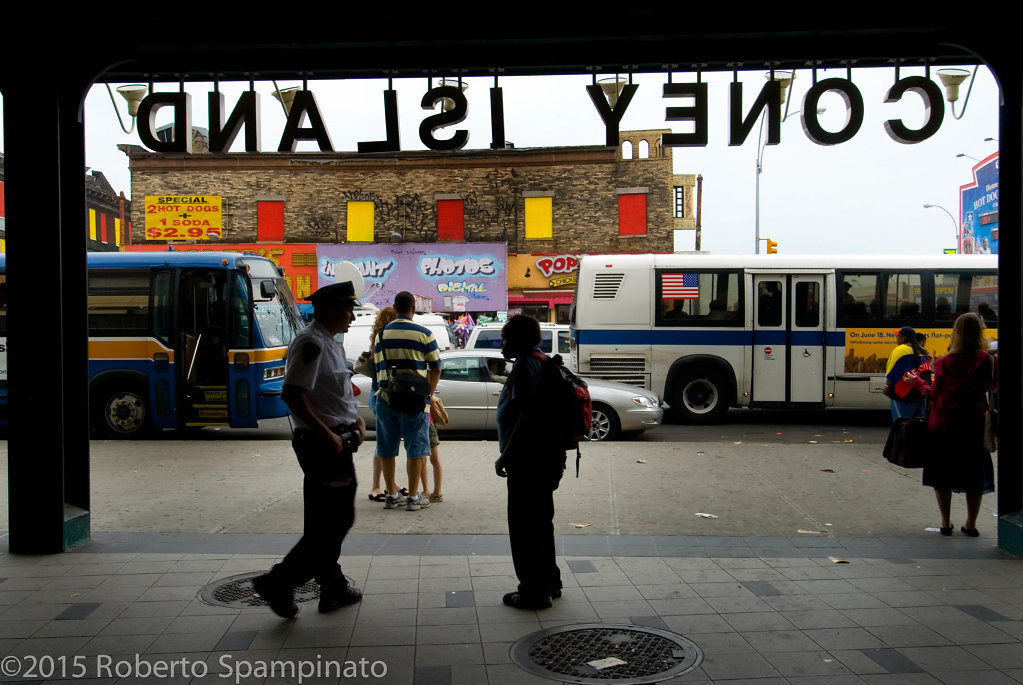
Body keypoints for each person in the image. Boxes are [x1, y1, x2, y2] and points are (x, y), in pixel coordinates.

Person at [252, 281, 366, 618]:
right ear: (332, 311)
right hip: (324, 446)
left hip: (338, 441)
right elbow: (292, 394)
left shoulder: (330, 343)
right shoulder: (311, 343)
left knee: (327, 522)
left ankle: (332, 586)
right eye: (348, 309)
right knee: (335, 521)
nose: (353, 315)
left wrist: (355, 420)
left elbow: (334, 393)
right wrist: (326, 434)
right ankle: (279, 582)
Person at [494, 315, 565, 609]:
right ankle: (550, 582)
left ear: (519, 340)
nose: (501, 345)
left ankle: (533, 591)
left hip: (528, 462)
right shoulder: (541, 360)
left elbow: (527, 417)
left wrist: (505, 455)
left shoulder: (525, 366)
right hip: (546, 459)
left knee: (524, 527)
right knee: (541, 524)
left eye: (505, 339)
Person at [924, 313, 996, 537]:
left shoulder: (944, 361)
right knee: (973, 474)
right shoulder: (986, 360)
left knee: (942, 473)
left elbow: (934, 394)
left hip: (943, 424)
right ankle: (971, 523)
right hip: (972, 423)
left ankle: (945, 522)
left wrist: (920, 385)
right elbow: (991, 385)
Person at [373, 291, 441, 511]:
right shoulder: (425, 334)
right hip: (415, 399)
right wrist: (428, 393)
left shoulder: (381, 334)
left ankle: (391, 495)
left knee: (386, 448)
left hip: (386, 398)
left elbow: (377, 368)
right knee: (416, 448)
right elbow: (436, 367)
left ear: (395, 307)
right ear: (414, 308)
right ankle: (413, 497)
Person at [364, 307, 408, 503]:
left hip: (377, 396)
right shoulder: (383, 341)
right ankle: (376, 485)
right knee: (384, 443)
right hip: (382, 396)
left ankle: (391, 482)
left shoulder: (378, 340)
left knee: (387, 442)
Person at [883, 326, 927, 419]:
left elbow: (892, 371)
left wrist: (887, 386)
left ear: (904, 338)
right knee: (917, 422)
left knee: (902, 423)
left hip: (902, 393)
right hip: (918, 393)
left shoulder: (900, 350)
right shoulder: (920, 350)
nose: (897, 338)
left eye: (898, 336)